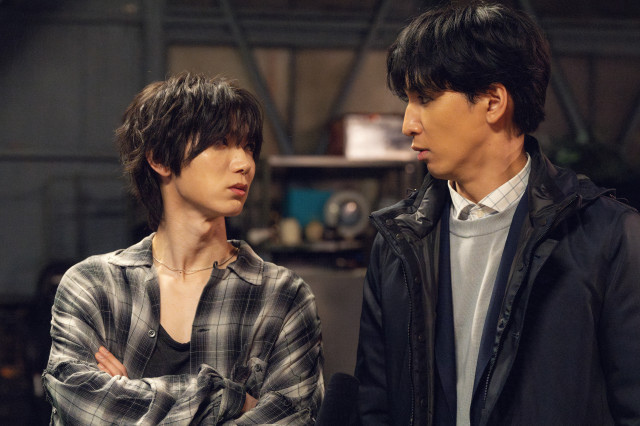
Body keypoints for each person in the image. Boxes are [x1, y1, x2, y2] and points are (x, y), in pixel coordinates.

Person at [354, 2, 640, 425]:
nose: (407, 124)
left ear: (493, 101)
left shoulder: (607, 236)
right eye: (408, 101)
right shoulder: (398, 241)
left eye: (425, 99)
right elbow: (373, 407)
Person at [43, 72, 324, 425]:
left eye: (249, 146)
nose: (245, 164)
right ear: (160, 158)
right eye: (221, 143)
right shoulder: (93, 286)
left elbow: (294, 418)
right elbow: (78, 404)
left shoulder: (283, 298)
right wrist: (231, 399)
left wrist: (132, 391)